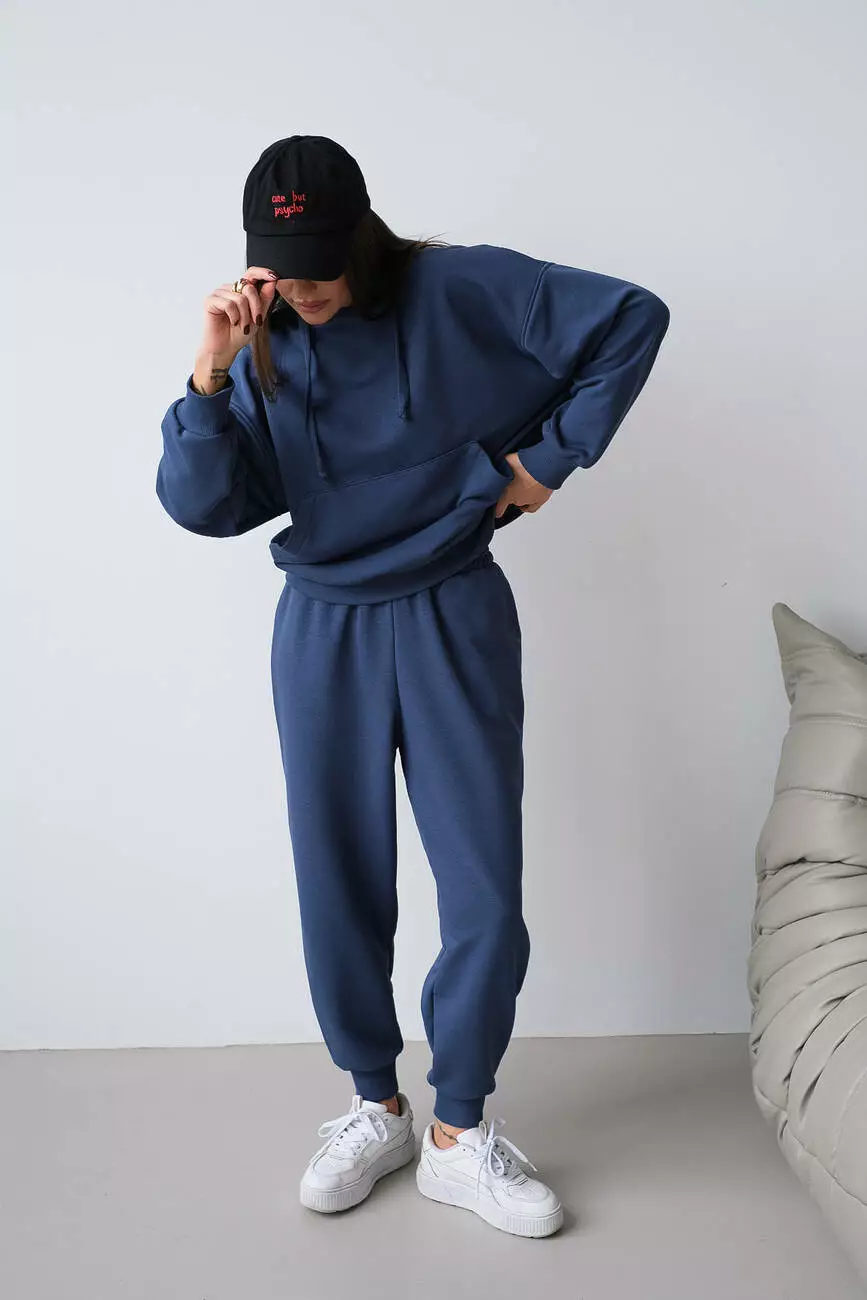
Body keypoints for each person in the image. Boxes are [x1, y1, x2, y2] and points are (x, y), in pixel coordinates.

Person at [155, 134, 670, 1239]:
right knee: (337, 875)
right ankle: (373, 1106)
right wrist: (208, 371)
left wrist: (548, 461)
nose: (303, 291)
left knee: (483, 884)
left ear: (361, 238)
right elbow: (204, 507)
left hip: (451, 608)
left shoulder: (461, 287)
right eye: (282, 271)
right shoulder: (260, 338)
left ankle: (459, 1130)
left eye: (319, 267)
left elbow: (633, 316)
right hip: (322, 627)